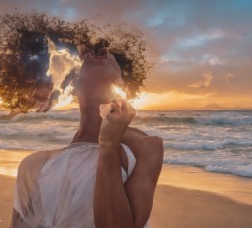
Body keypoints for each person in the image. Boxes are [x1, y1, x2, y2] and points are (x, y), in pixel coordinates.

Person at [10, 46, 164, 228]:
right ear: (73, 88)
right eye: (86, 55)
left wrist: (108, 145)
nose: (95, 53)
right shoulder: (36, 165)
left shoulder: (144, 148)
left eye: (108, 53)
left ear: (122, 82)